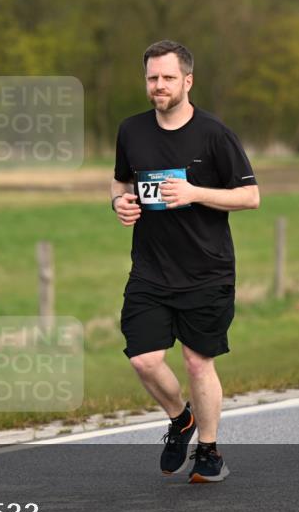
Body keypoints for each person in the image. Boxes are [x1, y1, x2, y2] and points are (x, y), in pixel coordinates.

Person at [111, 40, 259, 483]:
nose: (159, 85)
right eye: (152, 78)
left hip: (206, 269)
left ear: (187, 81)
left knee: (198, 362)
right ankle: (181, 420)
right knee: (143, 359)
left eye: (168, 78)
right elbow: (120, 182)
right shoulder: (131, 131)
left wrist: (195, 193)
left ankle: (209, 451)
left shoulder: (214, 134)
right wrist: (119, 203)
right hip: (151, 269)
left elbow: (250, 196)